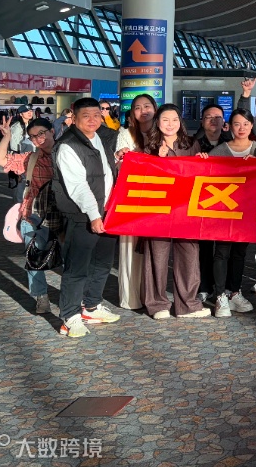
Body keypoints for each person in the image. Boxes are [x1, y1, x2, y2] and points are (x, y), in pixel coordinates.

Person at [50, 98, 122, 338]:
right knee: (77, 268)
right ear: (74, 117)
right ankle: (69, 317)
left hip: (107, 211)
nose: (92, 120)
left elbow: (103, 171)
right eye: (86, 116)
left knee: (102, 262)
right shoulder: (68, 145)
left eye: (96, 115)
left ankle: (91, 306)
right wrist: (94, 215)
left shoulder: (99, 137)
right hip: (83, 214)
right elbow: (78, 186)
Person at [140, 104, 209, 320]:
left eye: (174, 120)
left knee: (189, 254)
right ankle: (157, 304)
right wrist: (156, 160)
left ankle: (188, 305)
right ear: (157, 123)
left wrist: (203, 160)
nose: (170, 124)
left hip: (186, 209)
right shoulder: (149, 146)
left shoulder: (191, 144)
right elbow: (143, 177)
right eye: (165, 120)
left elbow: (201, 175)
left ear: (181, 122)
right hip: (158, 210)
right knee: (157, 256)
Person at [198, 109, 256, 317]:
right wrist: (202, 160)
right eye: (236, 124)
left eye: (245, 124)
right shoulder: (219, 151)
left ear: (252, 125)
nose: (241, 128)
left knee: (240, 252)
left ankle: (234, 292)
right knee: (222, 252)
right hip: (223, 210)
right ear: (229, 126)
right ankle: (220, 296)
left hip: (249, 211)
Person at [0, 116, 56, 313]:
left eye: (42, 134)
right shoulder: (31, 158)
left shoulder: (66, 154)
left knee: (70, 258)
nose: (38, 139)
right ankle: (41, 296)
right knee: (34, 258)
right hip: (32, 215)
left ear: (52, 132)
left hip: (62, 216)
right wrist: (7, 137)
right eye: (33, 137)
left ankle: (74, 298)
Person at [112, 94, 157, 310]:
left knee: (154, 249)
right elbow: (120, 164)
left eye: (147, 106)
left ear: (155, 109)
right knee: (130, 246)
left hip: (158, 198)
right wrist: (121, 156)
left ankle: (153, 296)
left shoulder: (163, 134)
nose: (143, 110)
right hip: (132, 197)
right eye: (138, 107)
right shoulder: (125, 134)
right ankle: (130, 297)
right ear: (132, 113)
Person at [193, 103, 234, 304]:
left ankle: (225, 287)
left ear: (224, 121)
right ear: (202, 121)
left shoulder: (231, 143)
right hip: (203, 202)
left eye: (218, 117)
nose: (213, 120)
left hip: (228, 201)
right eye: (209, 117)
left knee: (224, 249)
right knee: (204, 247)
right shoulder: (193, 144)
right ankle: (204, 287)